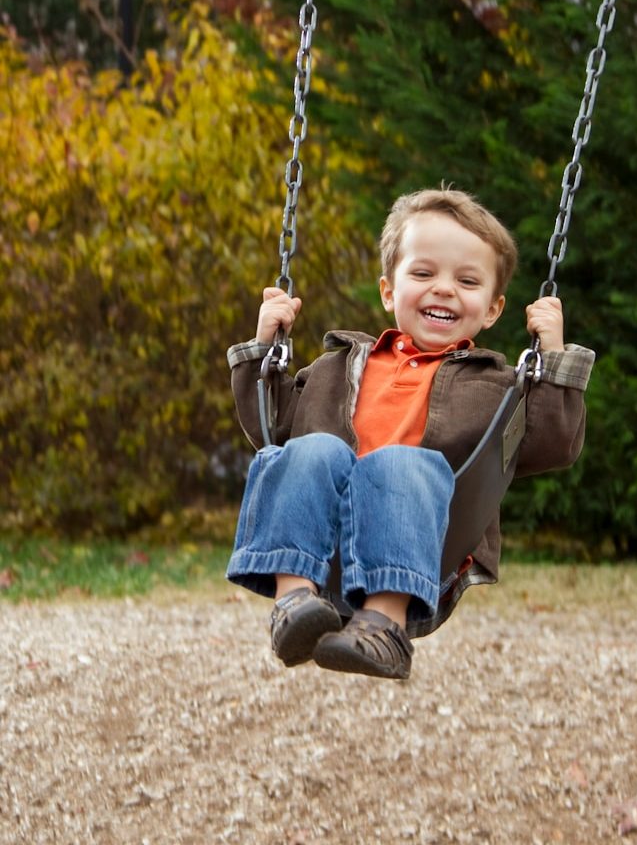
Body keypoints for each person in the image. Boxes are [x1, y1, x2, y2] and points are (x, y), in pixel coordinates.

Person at [225, 187, 594, 679]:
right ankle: (294, 603)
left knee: (400, 462)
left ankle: (384, 627)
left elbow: (552, 443)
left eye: (467, 280)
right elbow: (270, 428)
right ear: (388, 290)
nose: (443, 289)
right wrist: (263, 348)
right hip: (326, 536)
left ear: (492, 309)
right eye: (423, 274)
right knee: (310, 451)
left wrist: (553, 357)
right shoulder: (333, 367)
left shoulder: (496, 387)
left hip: (424, 543)